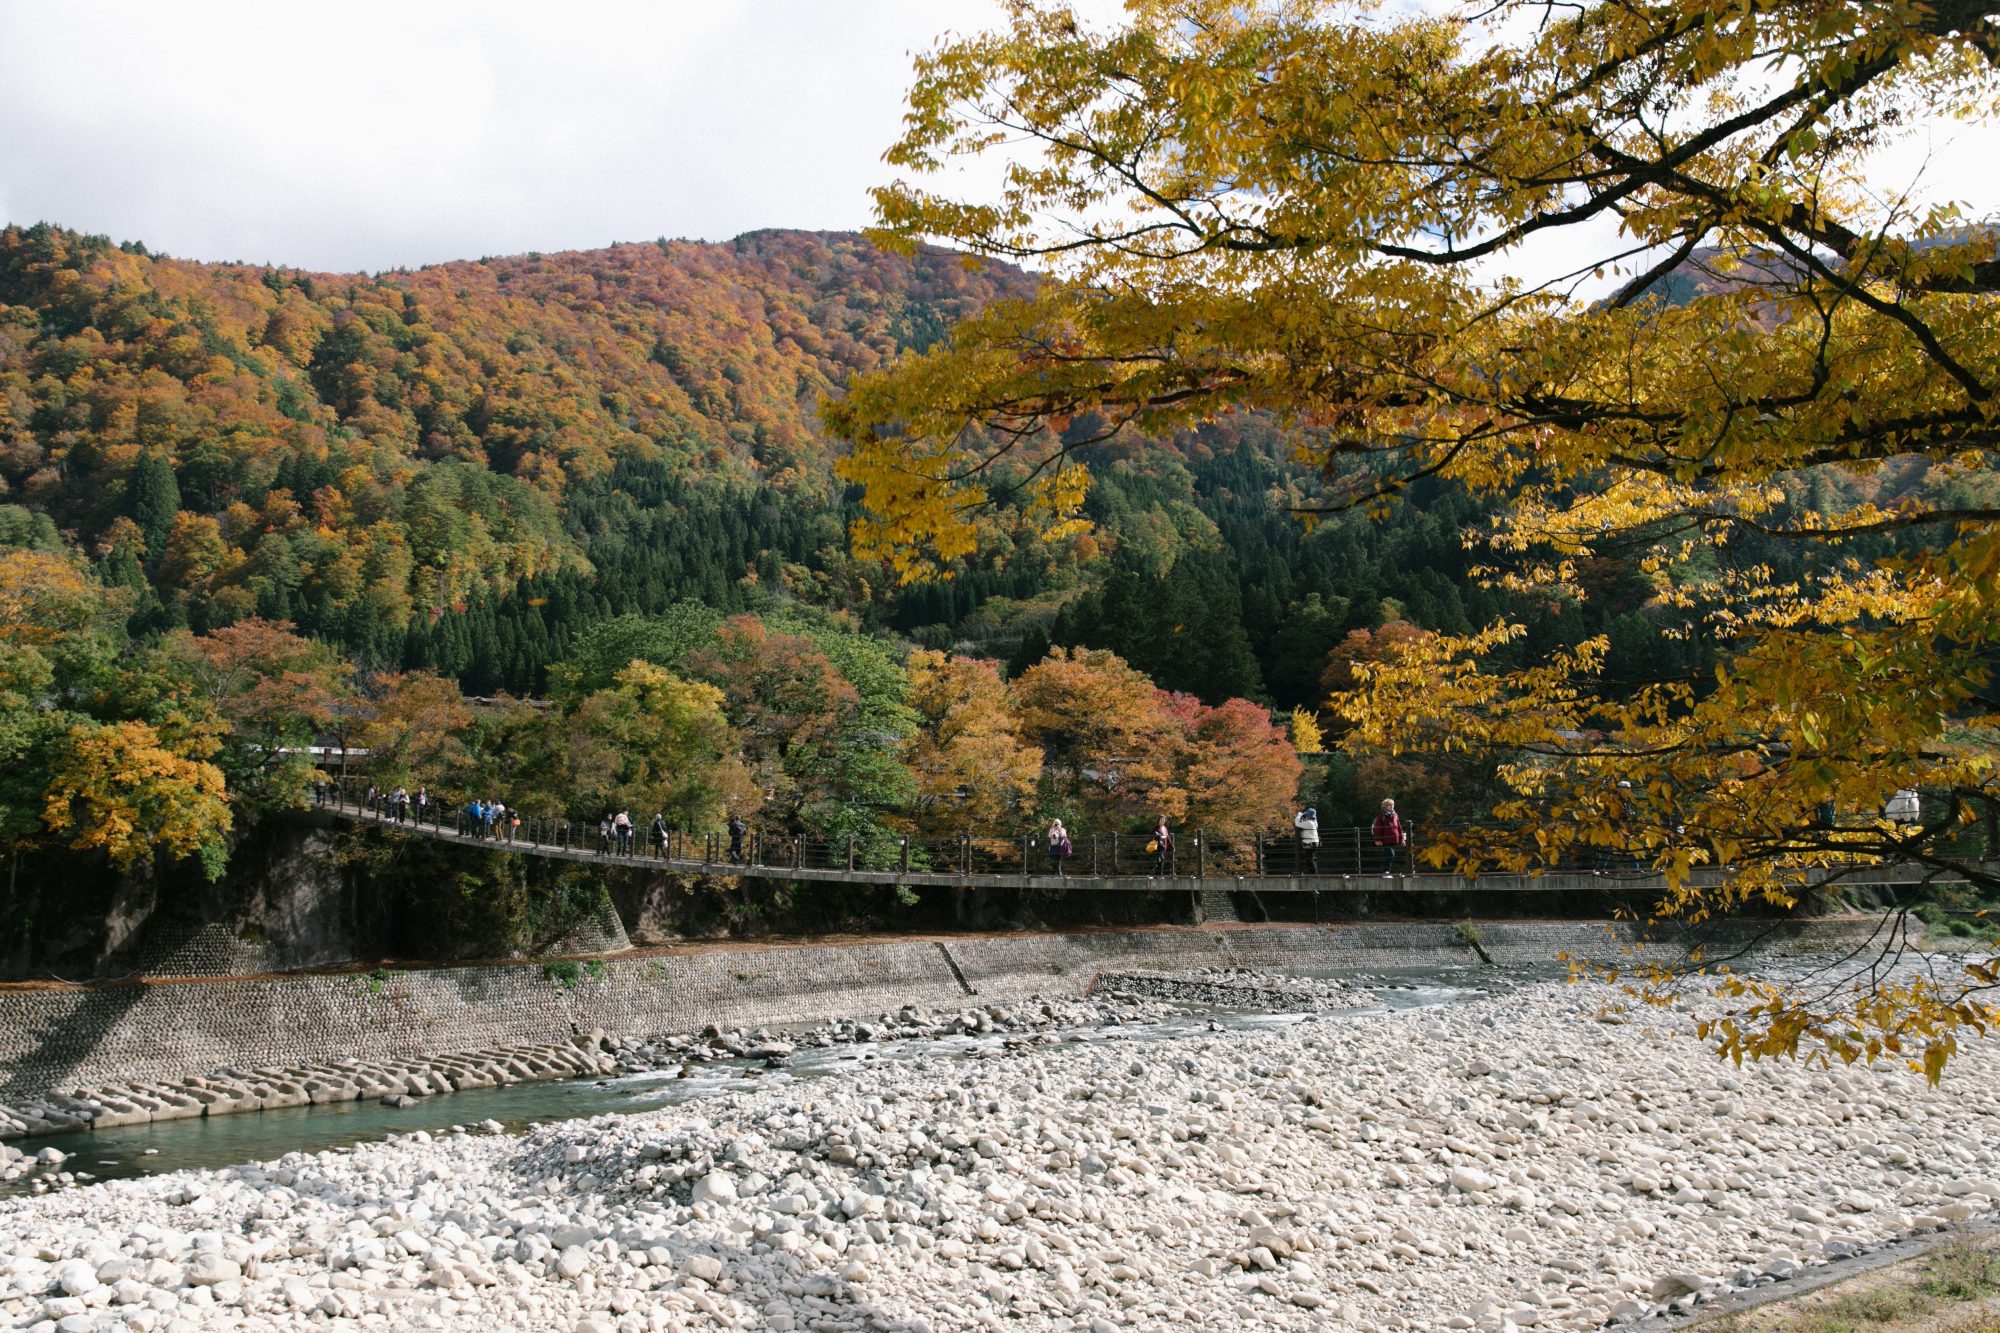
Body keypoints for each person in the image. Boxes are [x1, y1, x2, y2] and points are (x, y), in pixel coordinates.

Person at [1372, 798, 1408, 877]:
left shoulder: (1395, 814)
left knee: (1390, 856)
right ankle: (1386, 872)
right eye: (1389, 805)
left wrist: (1402, 839)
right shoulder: (1382, 815)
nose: (1392, 806)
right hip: (1385, 839)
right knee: (1391, 855)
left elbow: (1399, 827)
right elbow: (1378, 828)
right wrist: (1377, 839)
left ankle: (1387, 872)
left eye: (1392, 805)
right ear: (1385, 806)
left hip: (1394, 838)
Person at [1293, 807, 1320, 873]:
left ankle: (1313, 874)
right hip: (1314, 842)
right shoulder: (1314, 822)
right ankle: (1313, 873)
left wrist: (1299, 815)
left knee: (1310, 859)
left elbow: (1297, 824)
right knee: (1311, 858)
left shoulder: (1309, 823)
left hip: (1310, 843)